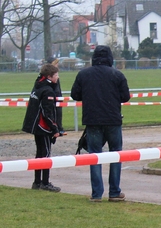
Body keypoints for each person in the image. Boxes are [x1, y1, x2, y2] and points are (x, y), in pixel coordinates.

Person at [70, 45, 131, 202]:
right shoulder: (117, 75)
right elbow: (125, 96)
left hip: (92, 119)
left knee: (95, 155)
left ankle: (97, 193)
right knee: (116, 154)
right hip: (113, 119)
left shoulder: (84, 74)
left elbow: (75, 94)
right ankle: (114, 191)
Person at [21, 63, 63, 192]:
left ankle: (37, 182)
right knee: (45, 154)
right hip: (43, 127)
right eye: (56, 75)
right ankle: (45, 182)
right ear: (49, 76)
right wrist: (55, 129)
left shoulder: (37, 86)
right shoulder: (47, 90)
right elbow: (47, 112)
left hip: (36, 126)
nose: (58, 77)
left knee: (39, 154)